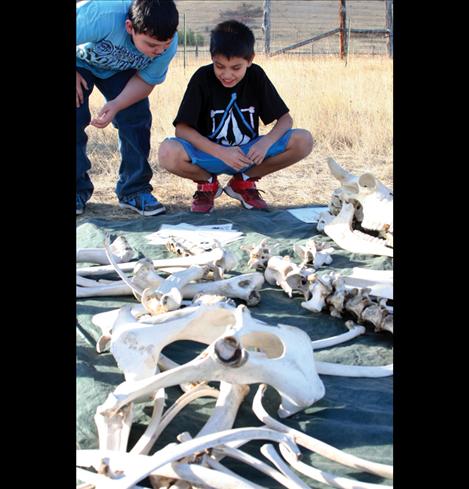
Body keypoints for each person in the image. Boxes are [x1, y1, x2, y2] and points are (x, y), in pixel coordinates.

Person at [158, 20, 314, 213]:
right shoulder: (202, 78)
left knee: (303, 140)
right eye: (220, 66)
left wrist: (264, 144)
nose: (227, 74)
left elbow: (285, 120)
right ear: (212, 58)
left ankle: (244, 183)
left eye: (236, 68)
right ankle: (207, 185)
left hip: (248, 155)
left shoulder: (256, 75)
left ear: (250, 60)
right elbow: (181, 129)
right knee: (167, 152)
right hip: (210, 154)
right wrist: (220, 152)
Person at [76, 0, 179, 216]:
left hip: (119, 70)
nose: (159, 51)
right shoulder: (100, 14)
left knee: (136, 116)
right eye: (151, 45)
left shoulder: (167, 47)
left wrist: (116, 104)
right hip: (80, 62)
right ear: (129, 27)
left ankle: (134, 190)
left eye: (165, 45)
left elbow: (146, 80)